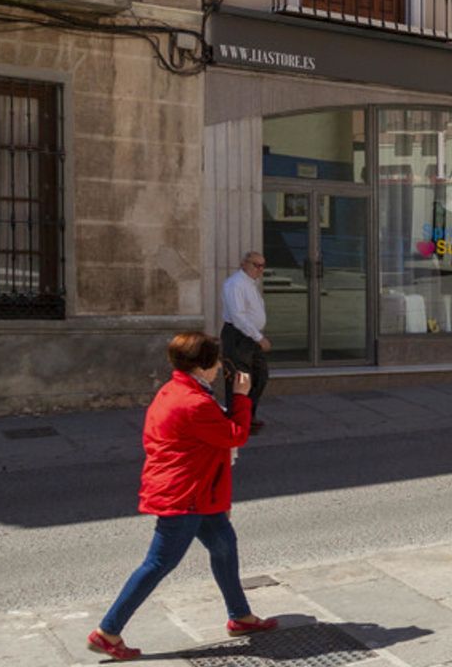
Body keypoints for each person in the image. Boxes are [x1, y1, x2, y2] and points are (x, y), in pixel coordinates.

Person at [88, 332, 277, 661]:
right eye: (216, 361)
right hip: (186, 495)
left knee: (224, 547)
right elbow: (235, 435)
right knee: (158, 563)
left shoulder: (175, 390)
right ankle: (107, 631)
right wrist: (242, 396)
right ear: (203, 366)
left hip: (198, 491)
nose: (220, 366)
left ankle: (240, 617)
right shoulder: (194, 402)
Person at [219, 250, 270, 433]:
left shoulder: (250, 284)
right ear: (244, 264)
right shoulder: (236, 284)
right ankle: (237, 419)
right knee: (240, 379)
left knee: (260, 376)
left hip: (251, 337)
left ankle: (248, 415)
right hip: (238, 337)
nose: (260, 269)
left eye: (262, 265)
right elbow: (238, 316)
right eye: (256, 265)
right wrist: (259, 337)